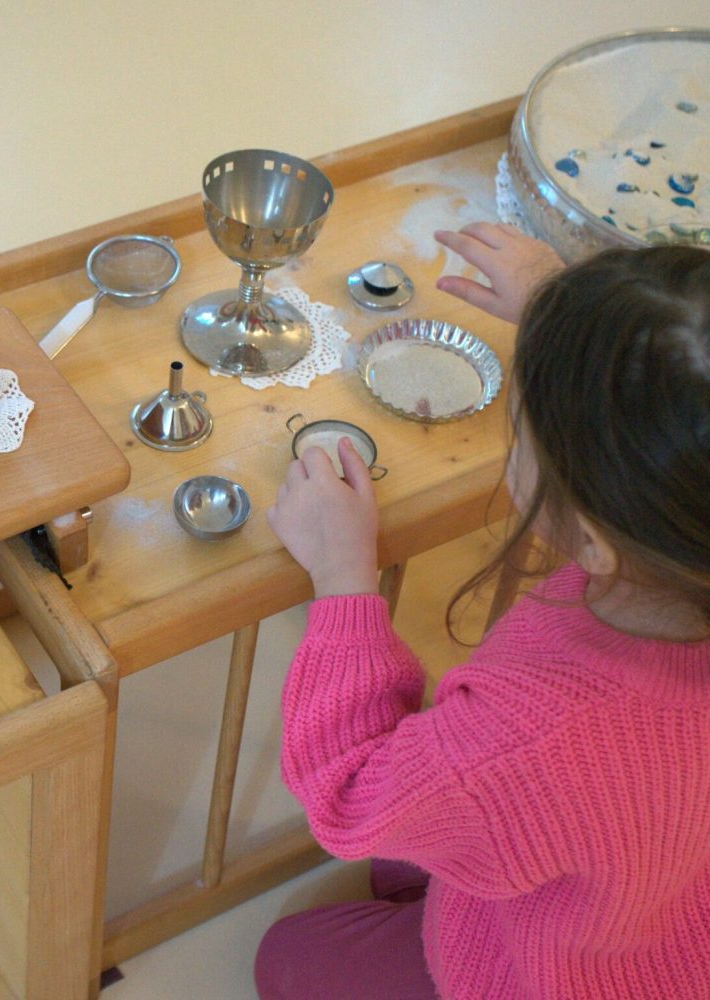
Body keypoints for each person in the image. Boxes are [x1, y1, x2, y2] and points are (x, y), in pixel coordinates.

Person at [255, 223, 710, 999]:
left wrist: (343, 576)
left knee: (288, 956)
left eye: (526, 423)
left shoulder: (544, 739)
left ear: (596, 541)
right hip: (660, 911)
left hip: (555, 975)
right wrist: (568, 324)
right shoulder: (674, 556)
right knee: (413, 859)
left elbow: (348, 793)